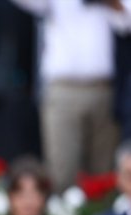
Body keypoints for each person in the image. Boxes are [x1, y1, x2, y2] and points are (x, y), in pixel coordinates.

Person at [9, 0, 131, 192]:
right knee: (61, 173)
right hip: (63, 90)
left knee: (104, 177)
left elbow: (127, 21)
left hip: (106, 90)